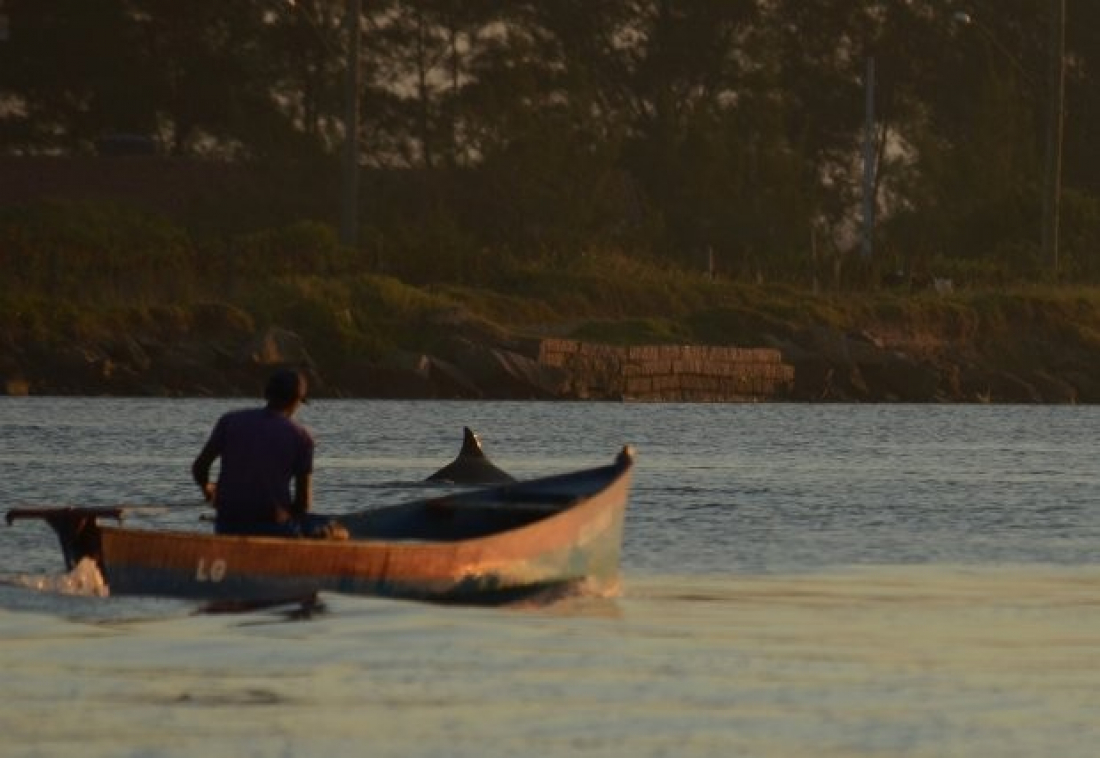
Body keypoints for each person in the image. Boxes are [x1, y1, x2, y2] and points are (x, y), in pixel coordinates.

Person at [192, 368, 344, 538]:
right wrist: (288, 515)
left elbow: (200, 467)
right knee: (337, 531)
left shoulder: (229, 421)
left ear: (266, 394)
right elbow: (303, 503)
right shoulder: (301, 436)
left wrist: (207, 489)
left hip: (227, 524)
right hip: (274, 527)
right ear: (296, 401)